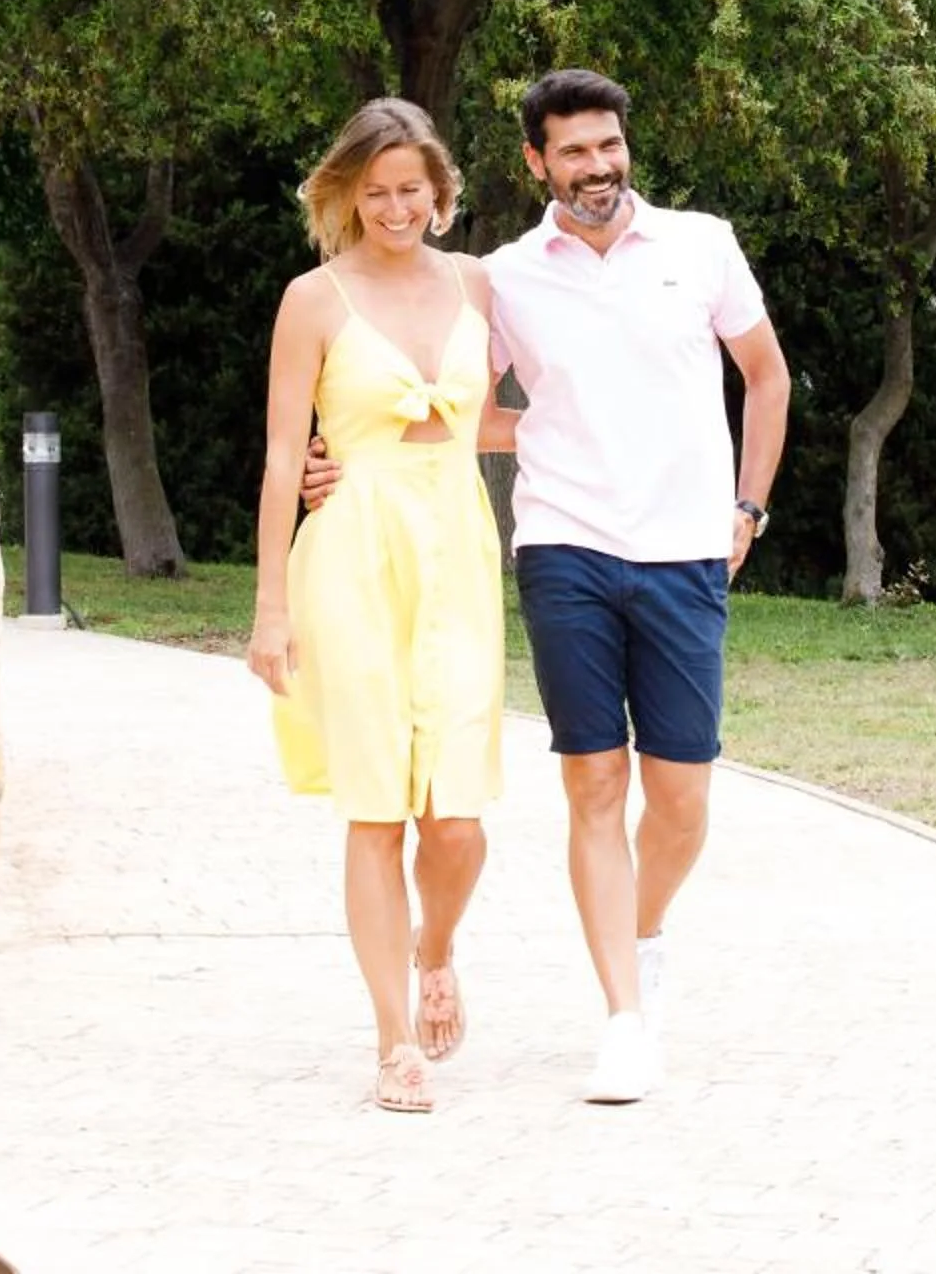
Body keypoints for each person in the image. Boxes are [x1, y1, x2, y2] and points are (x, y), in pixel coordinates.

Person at [306, 68, 790, 1105]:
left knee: (682, 797)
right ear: (537, 163)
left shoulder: (702, 244)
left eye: (607, 144)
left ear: (626, 145)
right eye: (572, 150)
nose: (596, 165)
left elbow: (768, 374)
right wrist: (355, 451)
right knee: (595, 783)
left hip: (686, 551)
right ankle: (623, 1016)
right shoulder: (507, 276)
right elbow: (456, 401)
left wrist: (747, 506)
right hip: (563, 547)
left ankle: (642, 927)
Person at [247, 98, 511, 1115]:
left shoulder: (479, 282)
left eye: (413, 187)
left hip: (456, 546)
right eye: (377, 190)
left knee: (457, 819)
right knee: (374, 806)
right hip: (350, 548)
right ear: (346, 195)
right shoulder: (312, 298)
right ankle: (393, 1038)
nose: (396, 206)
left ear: (438, 191)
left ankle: (434, 944)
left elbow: (489, 423)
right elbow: (281, 456)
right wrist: (270, 603)